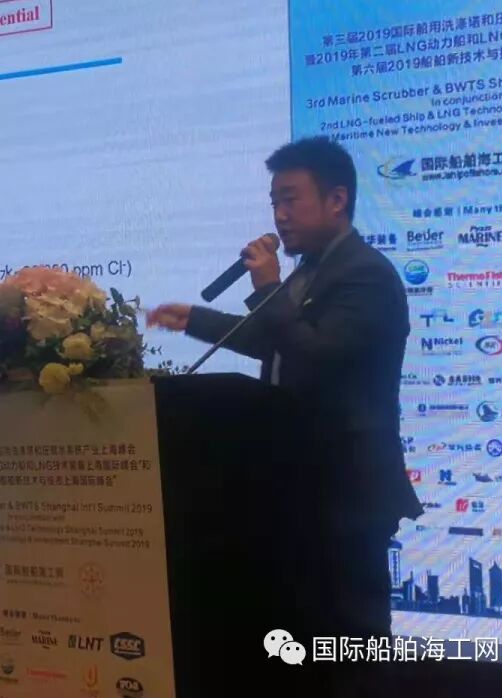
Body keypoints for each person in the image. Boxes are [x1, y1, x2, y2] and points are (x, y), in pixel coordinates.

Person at [147, 136, 423, 649]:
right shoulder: (310, 270)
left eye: (291, 199)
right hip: (298, 483)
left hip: (346, 490)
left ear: (336, 199)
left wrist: (269, 288)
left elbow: (315, 353)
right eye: (275, 201)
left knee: (350, 640)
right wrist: (195, 320)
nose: (279, 215)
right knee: (300, 633)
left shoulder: (366, 274)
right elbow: (273, 340)